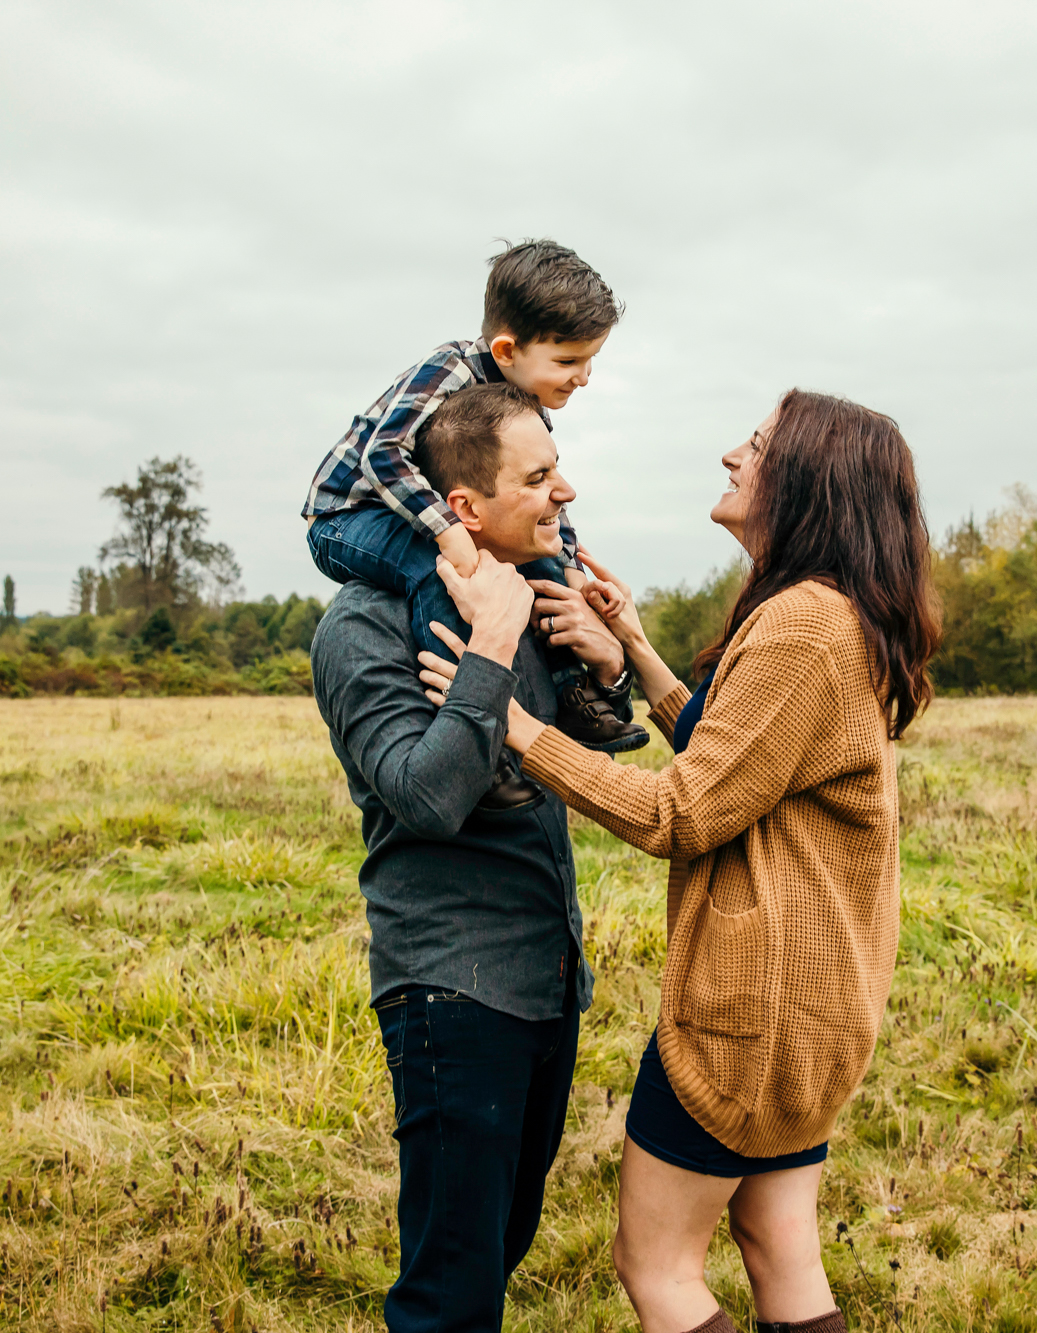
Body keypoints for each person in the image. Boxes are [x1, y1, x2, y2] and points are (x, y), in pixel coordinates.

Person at [420, 389, 942, 1333]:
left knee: (657, 1265)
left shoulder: (800, 627)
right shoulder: (833, 616)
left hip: (752, 1010)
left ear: (808, 481)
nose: (732, 456)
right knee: (778, 1239)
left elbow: (687, 809)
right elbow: (746, 757)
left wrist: (513, 722)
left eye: (755, 445)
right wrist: (638, 654)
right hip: (820, 1006)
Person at [308, 382, 638, 1333]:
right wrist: (489, 653)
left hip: (545, 977)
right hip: (452, 988)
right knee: (451, 1291)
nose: (564, 491)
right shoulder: (363, 624)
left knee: (499, 1248)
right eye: (538, 477)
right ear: (464, 508)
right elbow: (426, 797)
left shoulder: (536, 593)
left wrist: (607, 663)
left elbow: (591, 749)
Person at [303, 238, 647, 798]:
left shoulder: (522, 401)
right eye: (568, 361)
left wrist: (574, 574)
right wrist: (447, 531)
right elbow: (383, 454)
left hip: (427, 514)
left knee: (546, 572)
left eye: (591, 361)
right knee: (437, 571)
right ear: (507, 350)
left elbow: (549, 494)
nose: (584, 377)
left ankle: (575, 698)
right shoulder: (451, 369)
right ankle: (474, 739)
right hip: (351, 513)